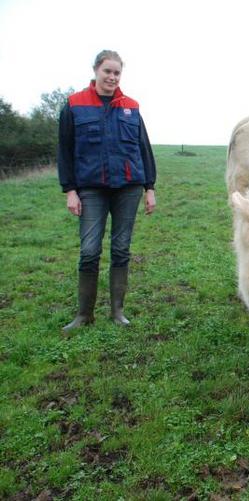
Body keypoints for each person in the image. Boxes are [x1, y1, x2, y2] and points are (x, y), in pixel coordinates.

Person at [58, 50, 157, 331]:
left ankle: (117, 312)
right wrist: (70, 190)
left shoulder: (131, 106)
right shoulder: (74, 105)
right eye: (107, 71)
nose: (112, 77)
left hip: (128, 187)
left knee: (121, 248)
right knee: (89, 250)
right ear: (96, 71)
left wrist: (150, 187)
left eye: (117, 73)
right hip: (91, 188)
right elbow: (64, 150)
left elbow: (143, 149)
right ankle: (83, 315)